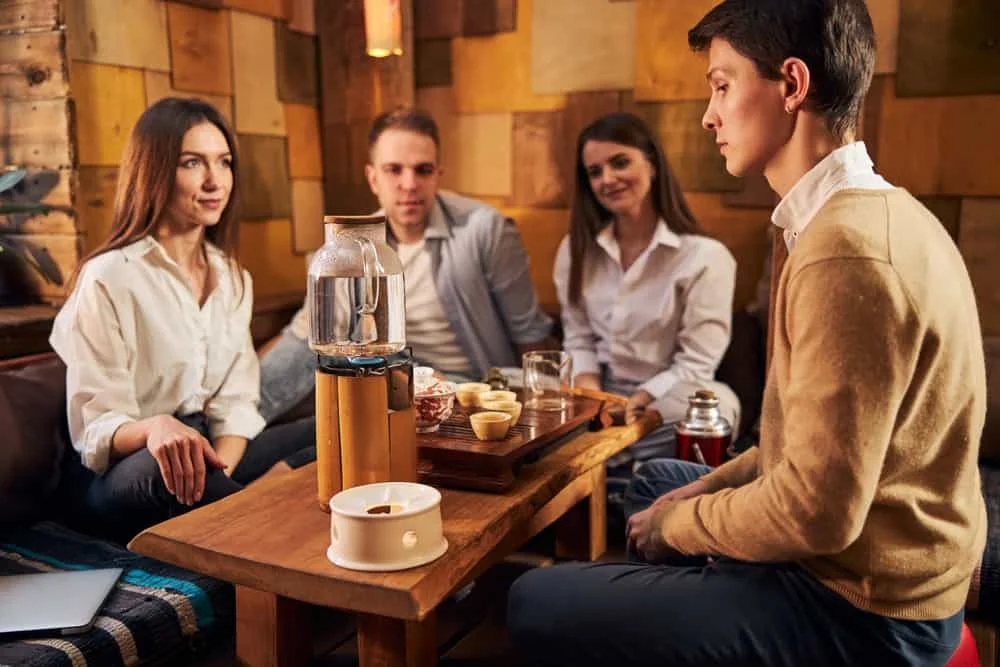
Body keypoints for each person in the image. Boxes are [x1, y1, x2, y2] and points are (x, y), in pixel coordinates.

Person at [507, 1, 986, 665]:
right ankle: (710, 593)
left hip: (864, 611)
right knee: (660, 486)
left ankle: (715, 602)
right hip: (852, 565)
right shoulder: (866, 216)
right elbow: (805, 451)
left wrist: (681, 524)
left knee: (534, 598)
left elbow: (818, 511)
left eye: (723, 85)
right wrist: (699, 494)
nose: (709, 115)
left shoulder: (845, 250)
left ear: (791, 86)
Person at [50, 98, 316, 544]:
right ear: (154, 171)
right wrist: (156, 428)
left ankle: (238, 509)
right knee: (167, 466)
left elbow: (234, 404)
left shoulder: (232, 277)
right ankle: (262, 526)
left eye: (224, 163)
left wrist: (218, 475)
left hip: (205, 450)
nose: (215, 181)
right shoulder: (109, 277)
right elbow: (94, 429)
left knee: (334, 431)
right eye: (193, 163)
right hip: (125, 471)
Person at [258, 108, 554, 423]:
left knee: (350, 403)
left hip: (465, 386)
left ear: (439, 175)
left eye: (423, 170)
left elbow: (529, 335)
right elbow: (306, 333)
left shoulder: (486, 230)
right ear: (373, 178)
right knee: (317, 355)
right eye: (394, 170)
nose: (409, 184)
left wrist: (530, 420)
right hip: (388, 375)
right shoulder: (354, 245)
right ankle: (228, 425)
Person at [555, 111, 739, 508]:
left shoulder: (707, 258)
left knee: (720, 403)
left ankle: (617, 475)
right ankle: (624, 481)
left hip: (663, 399)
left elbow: (696, 365)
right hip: (597, 395)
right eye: (595, 171)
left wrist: (635, 404)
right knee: (518, 388)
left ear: (651, 164)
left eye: (620, 162)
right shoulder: (575, 250)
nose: (607, 179)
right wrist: (590, 398)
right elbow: (579, 338)